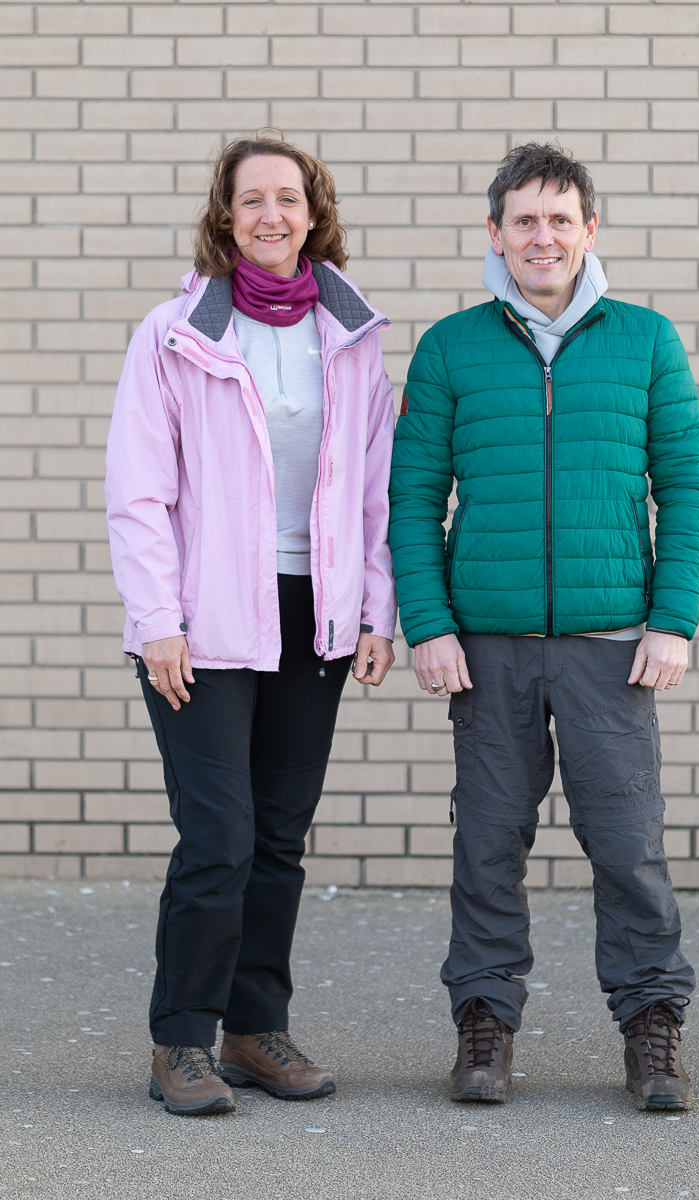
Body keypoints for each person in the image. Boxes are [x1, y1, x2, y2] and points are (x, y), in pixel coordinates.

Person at [388, 142, 699, 1112]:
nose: (541, 236)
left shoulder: (644, 339)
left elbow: (684, 487)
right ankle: (483, 1025)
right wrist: (428, 623)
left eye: (557, 219)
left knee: (626, 847)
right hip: (483, 649)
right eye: (522, 220)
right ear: (494, 233)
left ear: (587, 230)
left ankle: (650, 1026)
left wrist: (671, 620)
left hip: (610, 645)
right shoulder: (450, 346)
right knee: (486, 845)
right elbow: (411, 499)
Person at [106, 132, 397, 1116]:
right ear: (224, 219)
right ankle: (179, 1040)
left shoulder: (351, 337)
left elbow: (372, 493)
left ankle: (253, 1030)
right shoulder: (174, 332)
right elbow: (138, 492)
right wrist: (157, 621)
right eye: (250, 201)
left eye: (287, 197)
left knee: (278, 834)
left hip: (309, 613)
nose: (270, 214)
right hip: (203, 621)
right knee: (219, 835)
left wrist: (373, 609)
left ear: (312, 212)